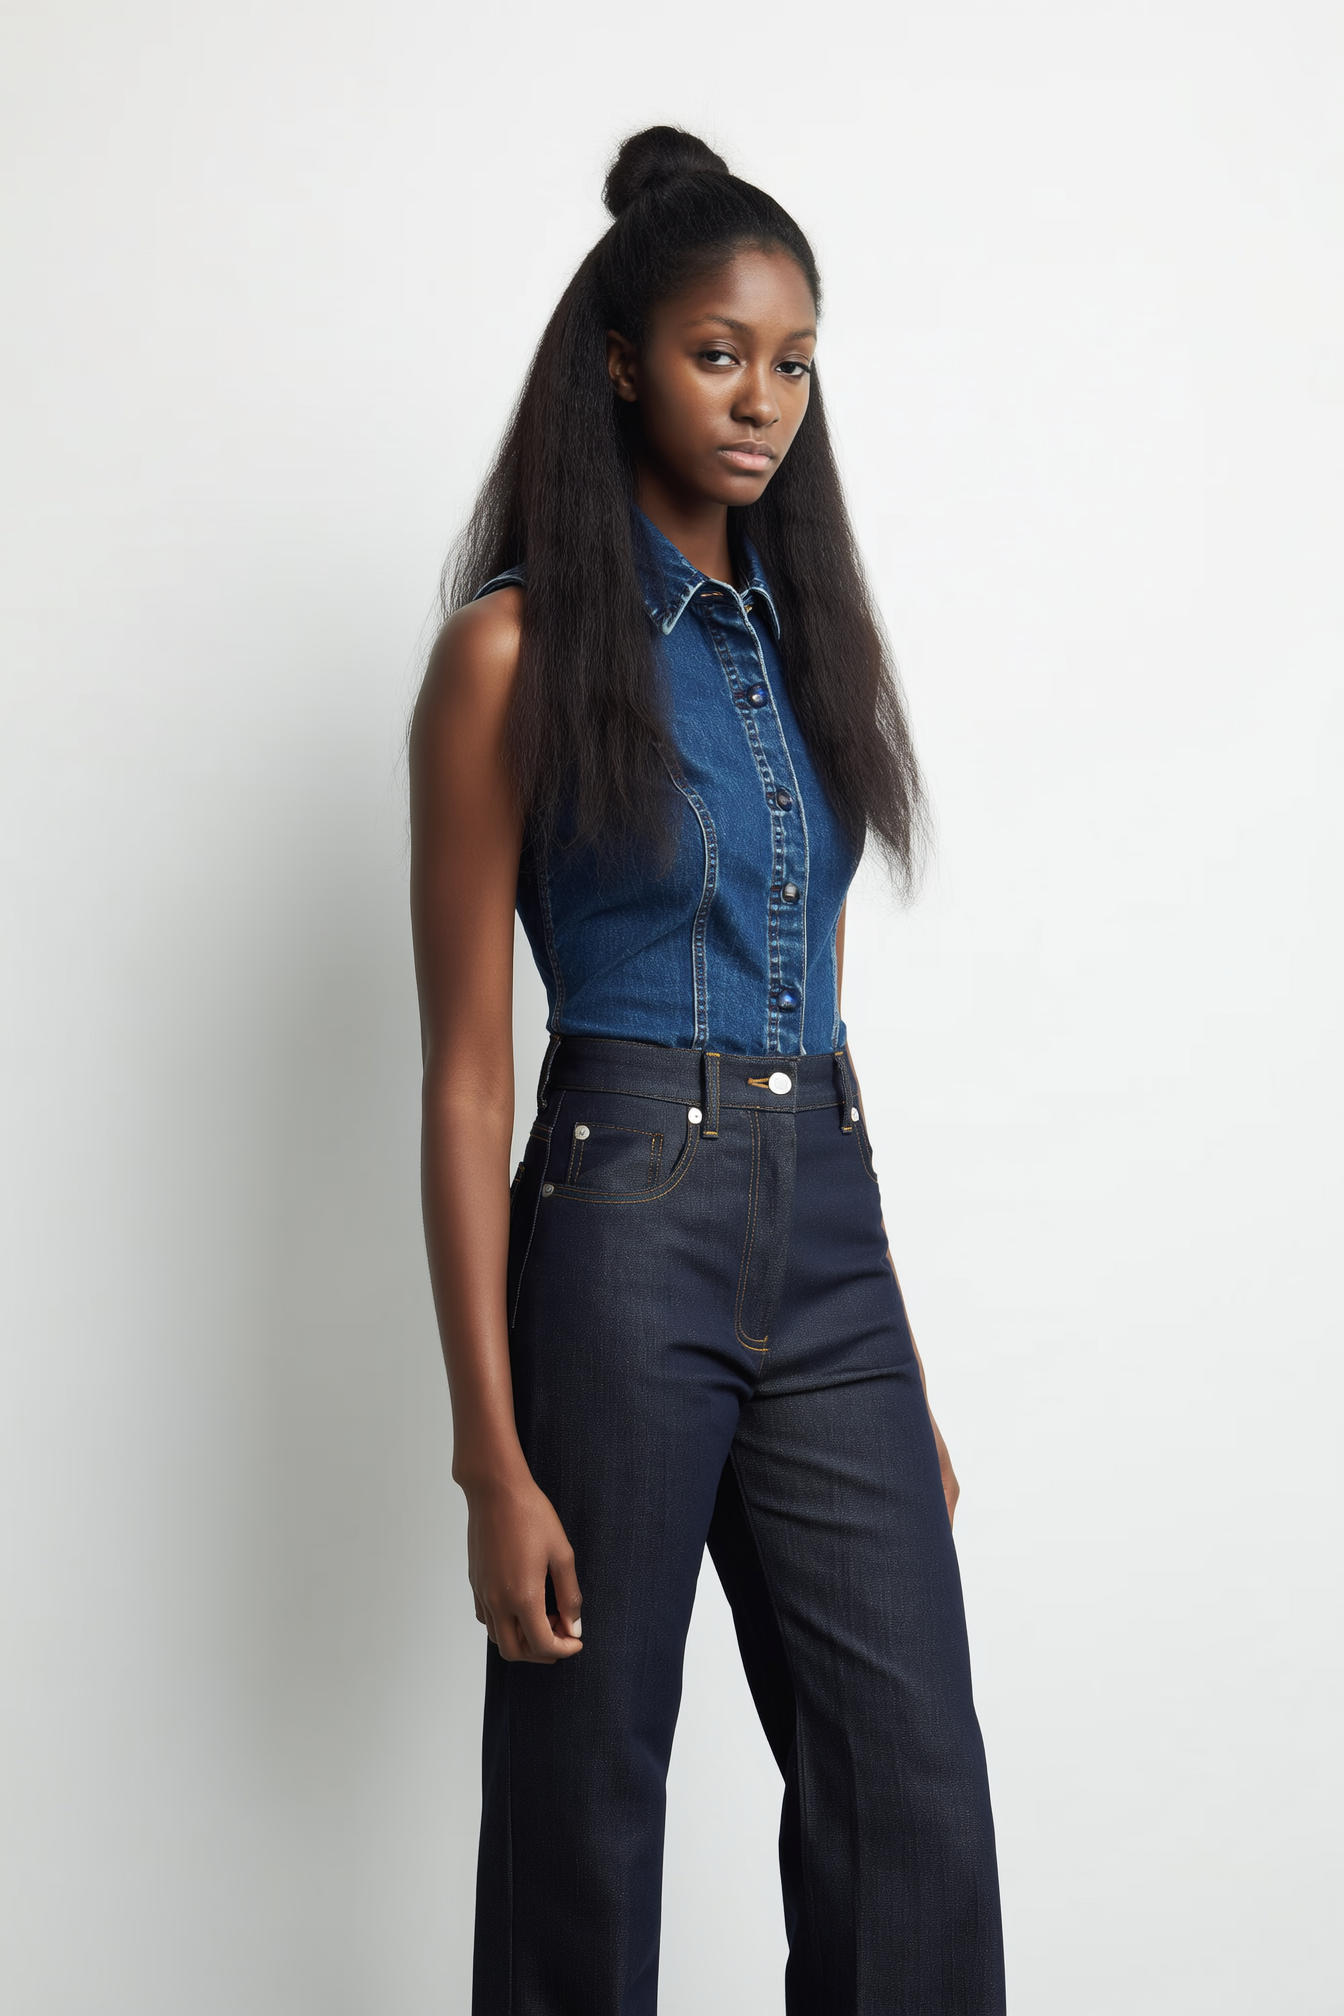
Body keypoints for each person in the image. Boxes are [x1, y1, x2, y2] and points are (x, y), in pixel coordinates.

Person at [410, 125, 1005, 2016]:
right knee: (588, 1796)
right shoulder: (510, 654)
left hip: (824, 1230)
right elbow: (463, 1080)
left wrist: (880, 1340)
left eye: (796, 359)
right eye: (720, 352)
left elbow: (819, 1018)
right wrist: (489, 1457)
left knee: (911, 1790)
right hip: (618, 1214)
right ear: (620, 358)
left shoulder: (807, 654)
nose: (765, 400)